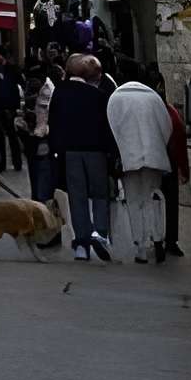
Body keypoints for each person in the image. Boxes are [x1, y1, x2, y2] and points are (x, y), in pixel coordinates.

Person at [50, 53, 119, 262]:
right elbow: (108, 128)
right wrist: (112, 153)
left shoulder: (60, 93)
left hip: (70, 151)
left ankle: (81, 243)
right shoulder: (98, 96)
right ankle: (100, 234)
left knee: (77, 195)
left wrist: (57, 149)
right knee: (100, 194)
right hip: (96, 151)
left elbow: (54, 122)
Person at [107, 62, 174, 265]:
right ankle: (157, 237)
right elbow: (167, 127)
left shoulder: (115, 98)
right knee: (152, 197)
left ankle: (141, 248)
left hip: (129, 156)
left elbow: (112, 129)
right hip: (153, 155)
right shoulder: (154, 98)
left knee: (134, 201)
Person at [29, 47, 66, 214]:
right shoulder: (48, 90)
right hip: (44, 138)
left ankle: (43, 207)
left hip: (43, 138)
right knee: (44, 176)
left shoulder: (47, 89)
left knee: (43, 175)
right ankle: (43, 208)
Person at [158, 69, 189, 258]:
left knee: (162, 201)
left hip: (162, 161)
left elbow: (179, 140)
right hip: (163, 161)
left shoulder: (170, 113)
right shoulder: (170, 112)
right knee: (165, 202)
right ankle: (166, 239)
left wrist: (183, 168)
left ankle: (164, 239)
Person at [0, 47, 25, 171]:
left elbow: (21, 81)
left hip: (9, 105)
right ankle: (1, 163)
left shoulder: (12, 68)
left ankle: (17, 162)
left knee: (12, 134)